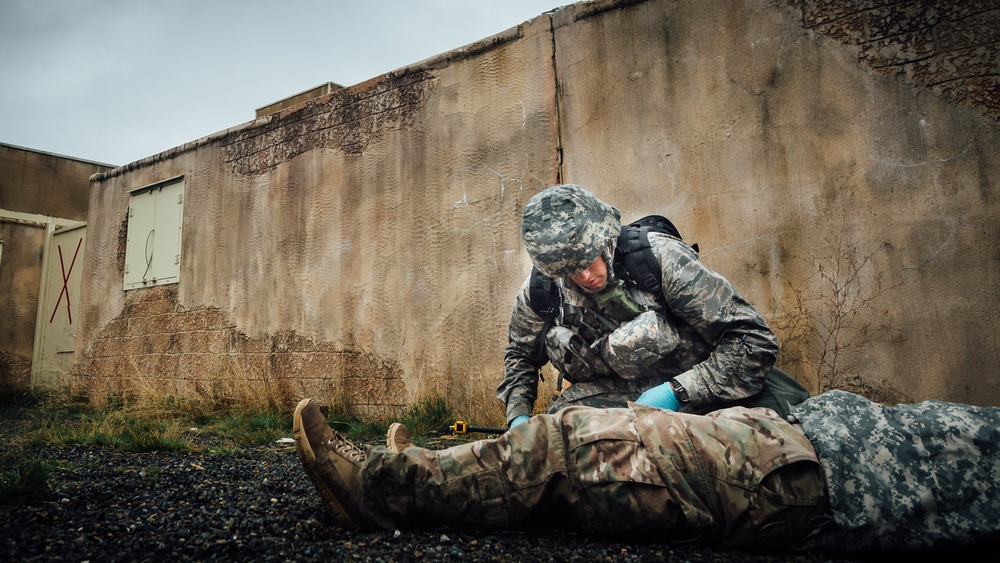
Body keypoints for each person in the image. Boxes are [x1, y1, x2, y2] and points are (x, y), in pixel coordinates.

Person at [292, 392, 1000, 552]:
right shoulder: (549, 295)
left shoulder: (664, 274)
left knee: (579, 447)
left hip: (807, 468)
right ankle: (429, 470)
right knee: (569, 454)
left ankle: (381, 487)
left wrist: (671, 391)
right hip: (798, 437)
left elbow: (746, 343)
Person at [498, 184, 808, 428]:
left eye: (588, 260)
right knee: (556, 440)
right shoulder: (542, 291)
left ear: (604, 236)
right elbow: (520, 354)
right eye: (571, 271)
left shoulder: (659, 260)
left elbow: (753, 340)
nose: (586, 276)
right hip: (619, 399)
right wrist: (518, 417)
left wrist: (677, 391)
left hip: (702, 386)